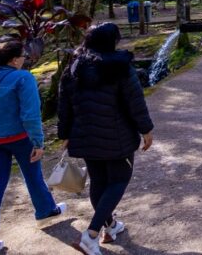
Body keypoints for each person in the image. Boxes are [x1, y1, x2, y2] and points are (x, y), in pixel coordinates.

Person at [58, 23, 155, 255]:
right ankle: (90, 236)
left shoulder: (74, 66)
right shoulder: (120, 65)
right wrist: (146, 130)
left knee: (100, 182)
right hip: (117, 136)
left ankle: (109, 227)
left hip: (85, 136)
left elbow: (64, 104)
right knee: (119, 180)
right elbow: (135, 101)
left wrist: (65, 134)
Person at [0, 40, 65, 255]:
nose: (26, 58)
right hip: (20, 138)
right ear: (13, 59)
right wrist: (38, 142)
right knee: (33, 176)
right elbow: (30, 115)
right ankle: (45, 210)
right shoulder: (23, 78)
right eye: (23, 55)